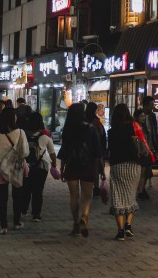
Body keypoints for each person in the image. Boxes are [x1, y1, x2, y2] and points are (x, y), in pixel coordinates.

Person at [107, 103, 152, 241]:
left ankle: (120, 231)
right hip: (134, 166)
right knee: (131, 195)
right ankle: (128, 225)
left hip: (117, 166)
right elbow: (142, 143)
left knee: (118, 197)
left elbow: (110, 150)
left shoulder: (111, 132)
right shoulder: (134, 127)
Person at [59, 103, 103, 237]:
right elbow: (98, 151)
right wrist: (101, 169)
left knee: (74, 196)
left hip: (71, 165)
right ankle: (84, 216)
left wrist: (62, 167)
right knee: (86, 196)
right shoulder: (91, 128)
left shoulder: (68, 129)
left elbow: (64, 150)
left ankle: (75, 224)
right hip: (87, 165)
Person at [0, 107, 28, 234]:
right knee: (17, 196)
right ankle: (16, 222)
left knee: (2, 198)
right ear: (12, 117)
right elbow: (25, 151)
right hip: (16, 167)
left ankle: (3, 226)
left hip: (1, 168)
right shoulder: (20, 132)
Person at [21, 112, 57, 222]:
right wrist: (54, 164)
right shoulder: (45, 137)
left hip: (26, 166)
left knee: (26, 188)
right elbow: (52, 153)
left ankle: (23, 210)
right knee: (38, 190)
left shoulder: (24, 135)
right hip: (41, 166)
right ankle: (36, 215)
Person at [85, 102, 107, 197]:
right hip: (96, 148)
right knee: (96, 167)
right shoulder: (96, 122)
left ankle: (87, 186)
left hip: (85, 149)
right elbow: (102, 135)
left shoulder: (84, 120)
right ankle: (96, 187)